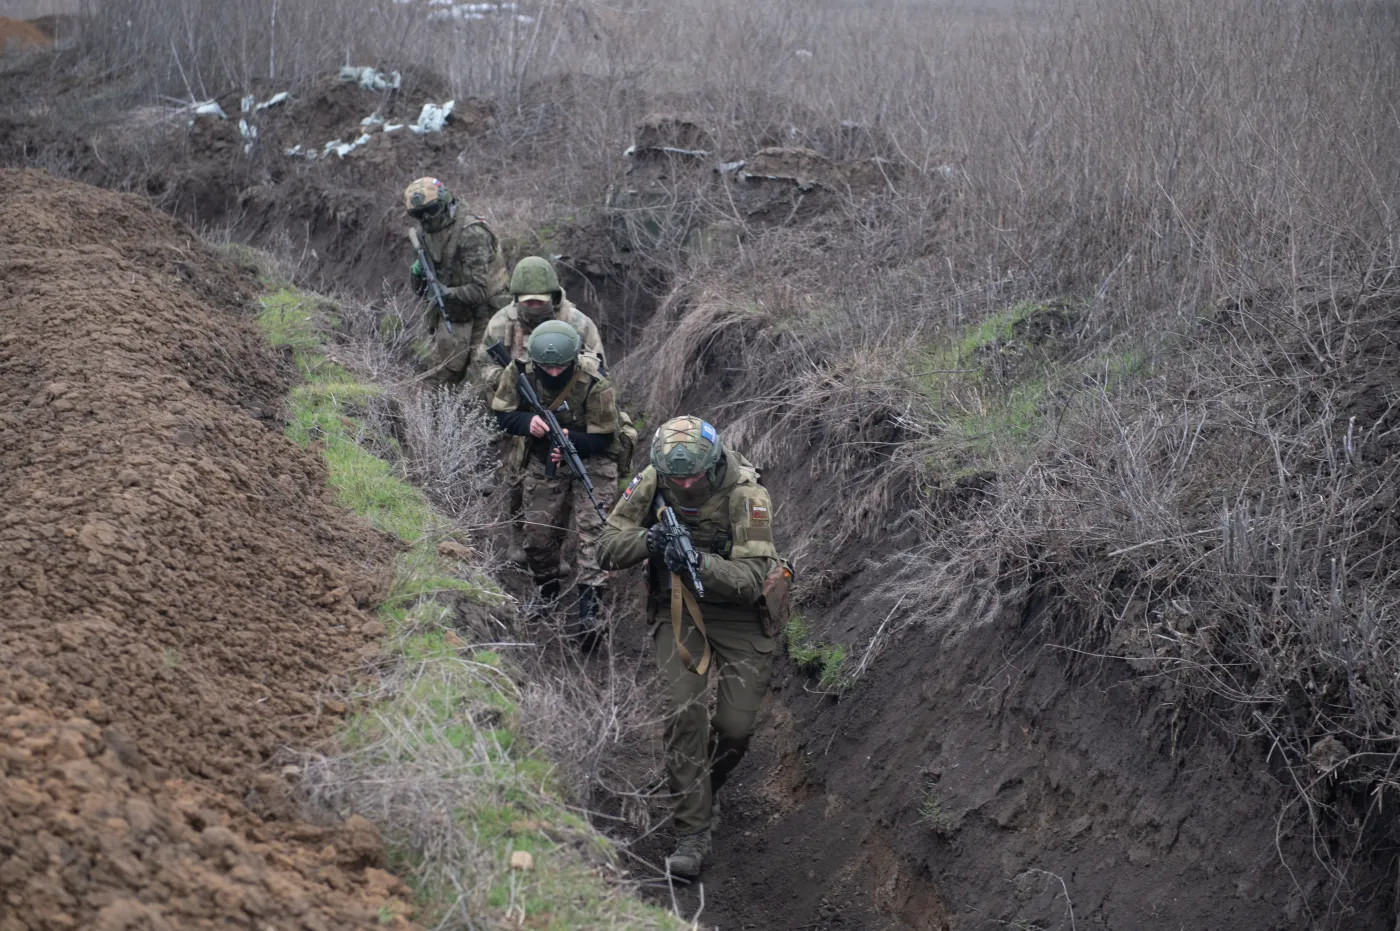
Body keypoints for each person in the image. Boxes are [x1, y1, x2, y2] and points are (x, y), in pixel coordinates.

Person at [597, 417, 780, 879]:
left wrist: (698, 560)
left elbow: (752, 580)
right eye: (676, 478)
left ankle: (699, 787)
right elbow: (606, 545)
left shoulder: (746, 494)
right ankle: (692, 832)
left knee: (735, 728)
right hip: (677, 607)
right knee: (685, 712)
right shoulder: (655, 478)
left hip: (738, 614)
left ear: (713, 461)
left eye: (693, 476)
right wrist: (650, 542)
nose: (684, 484)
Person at [490, 320, 619, 643]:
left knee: (594, 532)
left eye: (559, 366)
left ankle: (590, 612)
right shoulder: (520, 372)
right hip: (543, 458)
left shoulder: (594, 382)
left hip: (592, 460)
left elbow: (604, 437)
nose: (551, 373)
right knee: (537, 535)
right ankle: (547, 592)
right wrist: (527, 421)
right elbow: (503, 414)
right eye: (545, 367)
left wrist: (570, 438)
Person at [403, 176, 511, 386]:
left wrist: (446, 293)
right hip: (454, 315)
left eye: (431, 210)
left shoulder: (471, 233)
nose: (426, 218)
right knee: (438, 379)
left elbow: (479, 290)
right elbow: (420, 291)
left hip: (486, 313)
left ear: (445, 204)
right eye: (418, 214)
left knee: (482, 379)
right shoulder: (423, 235)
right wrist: (417, 272)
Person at [472, 255, 607, 402]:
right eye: (529, 302)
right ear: (517, 299)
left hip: (568, 402)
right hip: (515, 402)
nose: (535, 306)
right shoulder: (500, 323)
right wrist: (506, 378)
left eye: (540, 301)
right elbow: (483, 366)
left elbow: (600, 372)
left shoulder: (578, 323)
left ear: (552, 296)